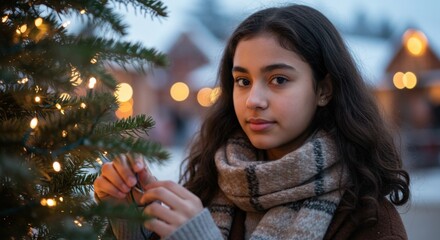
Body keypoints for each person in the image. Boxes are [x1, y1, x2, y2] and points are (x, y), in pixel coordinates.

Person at [94, 4, 410, 240]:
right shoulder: (207, 185)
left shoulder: (370, 221)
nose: (253, 100)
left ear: (324, 89)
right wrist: (129, 222)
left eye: (279, 79)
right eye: (242, 81)